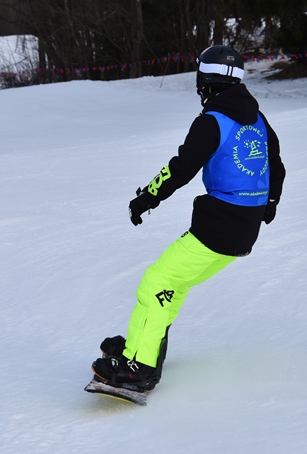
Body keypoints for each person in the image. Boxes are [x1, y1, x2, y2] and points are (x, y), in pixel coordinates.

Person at [91, 45, 286, 391]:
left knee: (157, 282)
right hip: (244, 229)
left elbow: (180, 169)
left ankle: (138, 368)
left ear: (206, 81)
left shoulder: (212, 121)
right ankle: (142, 345)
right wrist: (267, 206)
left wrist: (146, 198)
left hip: (218, 227)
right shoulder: (257, 119)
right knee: (173, 284)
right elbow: (277, 167)